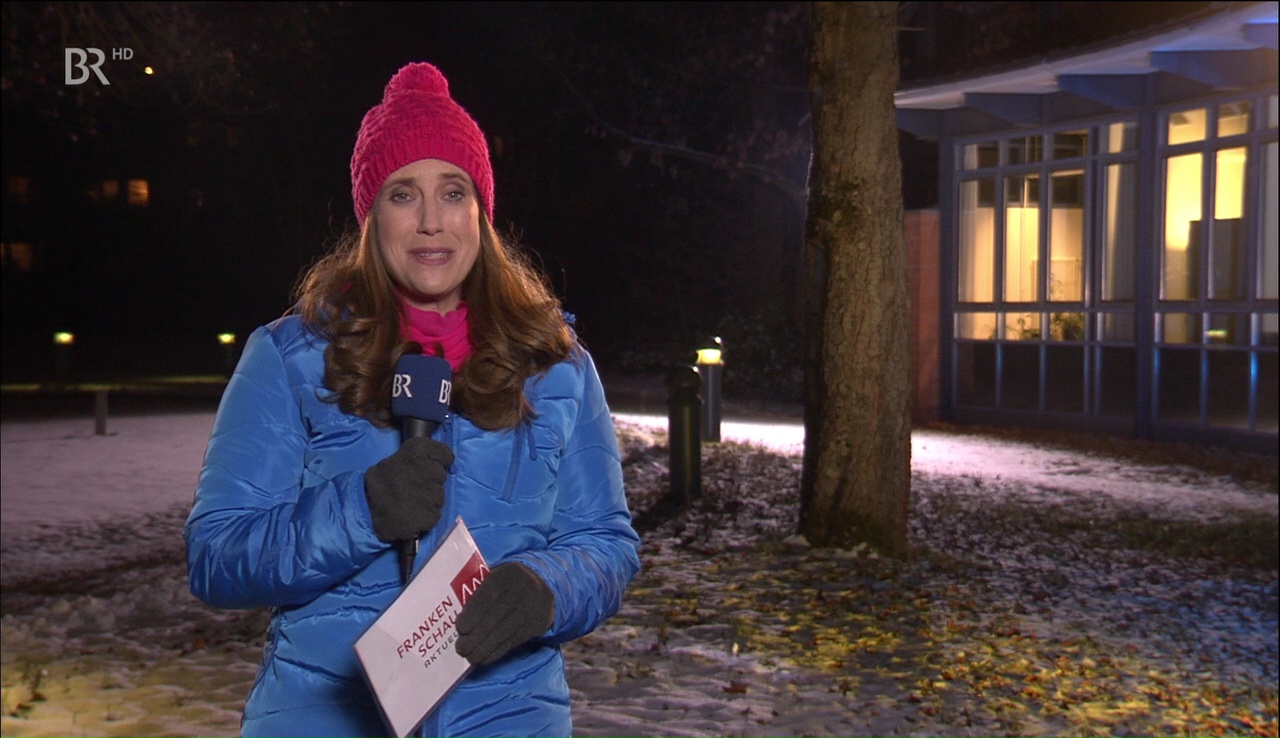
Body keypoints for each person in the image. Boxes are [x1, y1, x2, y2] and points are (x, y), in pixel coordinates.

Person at [184, 61, 642, 738]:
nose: (431, 221)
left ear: (480, 210)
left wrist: (546, 587)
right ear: (372, 216)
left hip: (508, 720)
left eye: (452, 192)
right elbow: (217, 557)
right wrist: (359, 511)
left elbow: (605, 543)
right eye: (403, 194)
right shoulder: (289, 358)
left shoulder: (557, 366)